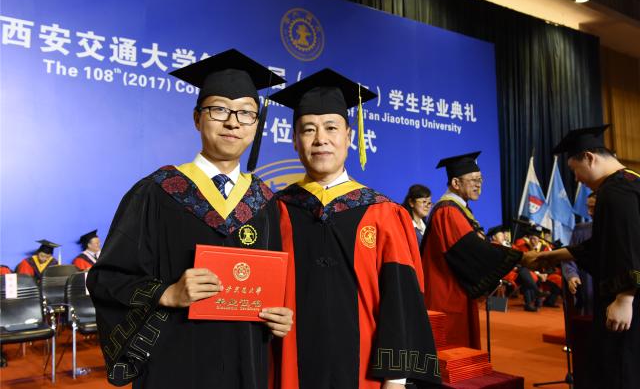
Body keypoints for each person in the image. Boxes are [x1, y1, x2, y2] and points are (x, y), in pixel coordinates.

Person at [87, 49, 293, 389]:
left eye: (246, 113)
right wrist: (166, 293)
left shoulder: (266, 203)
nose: (233, 122)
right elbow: (106, 280)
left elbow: (271, 288)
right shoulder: (157, 192)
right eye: (219, 109)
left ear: (256, 125)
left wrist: (279, 316)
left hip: (246, 364)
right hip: (175, 363)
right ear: (197, 118)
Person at [269, 68, 440, 388]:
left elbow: (401, 301)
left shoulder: (382, 212)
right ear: (294, 140)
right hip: (290, 365)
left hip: (364, 372)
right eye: (308, 129)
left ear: (349, 137)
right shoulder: (276, 210)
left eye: (331, 128)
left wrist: (396, 379)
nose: (320, 139)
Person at [535, 125, 640, 388]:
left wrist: (624, 297)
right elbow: (602, 245)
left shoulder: (615, 192)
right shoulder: (631, 181)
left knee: (619, 372)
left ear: (590, 158)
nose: (577, 179)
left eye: (575, 170)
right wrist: (555, 255)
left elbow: (628, 243)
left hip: (628, 304)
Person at [421, 152, 536, 348]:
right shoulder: (447, 211)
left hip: (456, 289)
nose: (479, 185)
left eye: (480, 179)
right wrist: (518, 257)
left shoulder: (458, 209)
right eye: (473, 180)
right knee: (453, 351)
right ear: (456, 183)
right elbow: (471, 249)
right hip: (447, 292)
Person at [562, 192, 595, 315]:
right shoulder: (580, 230)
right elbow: (569, 257)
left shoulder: (622, 230)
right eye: (588, 207)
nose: (590, 212)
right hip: (587, 287)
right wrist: (571, 275)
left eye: (594, 208)